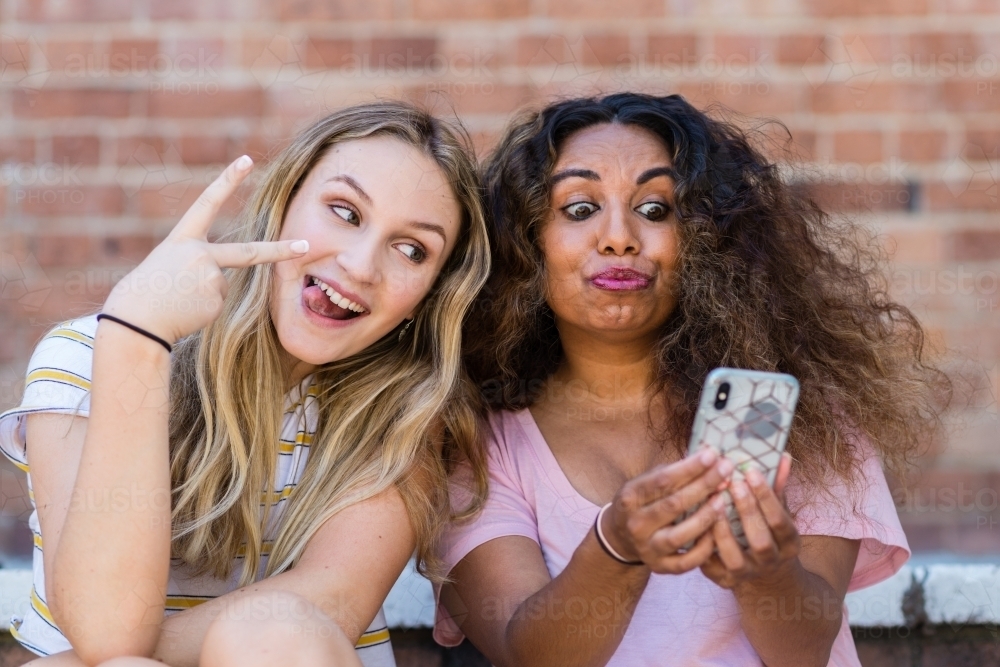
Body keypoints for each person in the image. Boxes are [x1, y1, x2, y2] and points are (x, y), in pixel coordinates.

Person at [434, 93, 949, 666]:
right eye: (579, 208)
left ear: (709, 243)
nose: (619, 237)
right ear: (525, 244)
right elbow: (529, 655)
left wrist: (766, 573)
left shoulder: (802, 420)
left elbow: (804, 650)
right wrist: (617, 549)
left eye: (656, 209)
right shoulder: (478, 441)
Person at [0, 101, 490, 667]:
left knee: (269, 635)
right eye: (345, 211)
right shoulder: (87, 358)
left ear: (428, 296)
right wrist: (138, 335)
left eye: (412, 250)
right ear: (283, 204)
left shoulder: (406, 416)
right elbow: (109, 633)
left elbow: (327, 602)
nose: (360, 265)